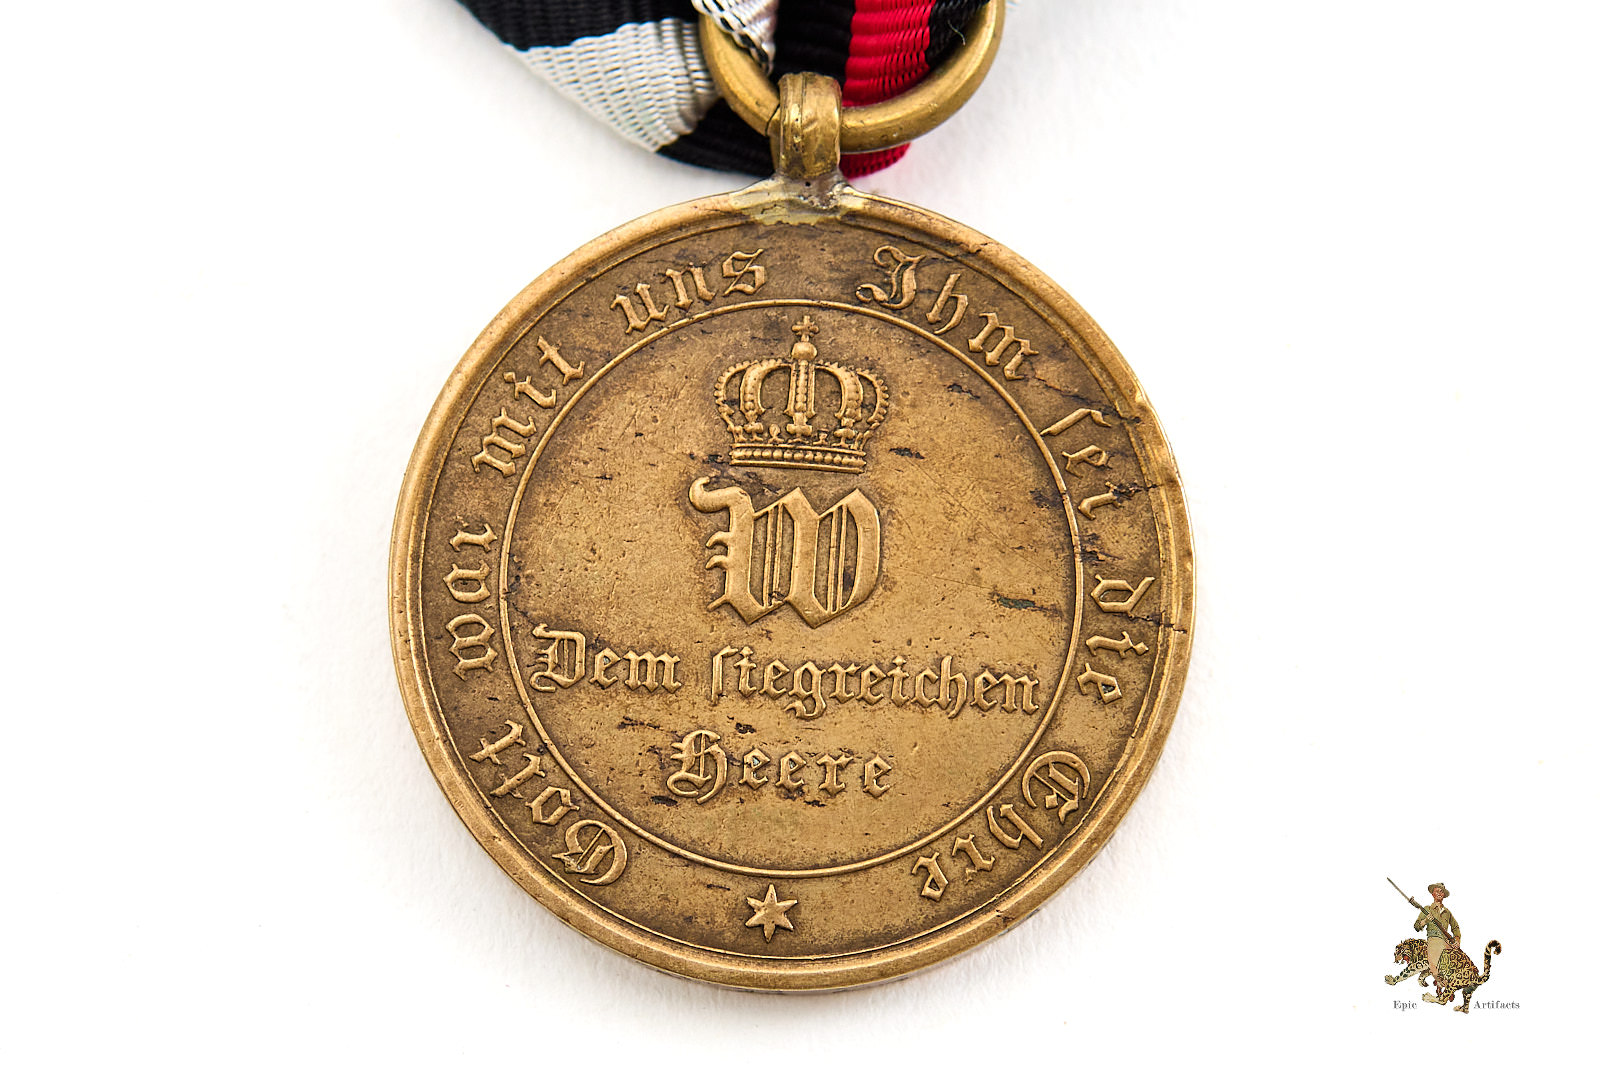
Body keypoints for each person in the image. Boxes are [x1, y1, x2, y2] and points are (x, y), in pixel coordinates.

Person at [1413, 882, 1460, 982]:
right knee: (1435, 970)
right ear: (1432, 894)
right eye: (1437, 891)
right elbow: (1416, 926)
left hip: (1446, 942)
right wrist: (1425, 921)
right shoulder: (1427, 909)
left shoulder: (1447, 912)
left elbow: (1455, 927)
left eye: (1441, 891)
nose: (1439, 893)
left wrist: (1457, 941)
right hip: (1433, 940)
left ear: (1444, 895)